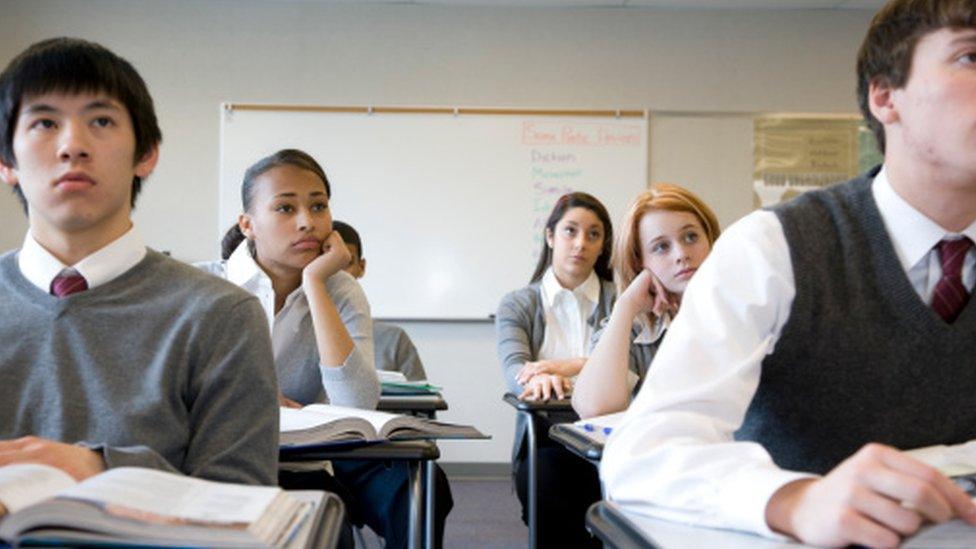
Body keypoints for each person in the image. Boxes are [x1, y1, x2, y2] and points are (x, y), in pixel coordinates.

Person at [602, 2, 976, 547]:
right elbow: (644, 451)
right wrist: (794, 499)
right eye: (969, 56)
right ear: (885, 96)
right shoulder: (772, 248)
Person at [0, 37, 279, 486]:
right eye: (45, 122)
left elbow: (241, 498)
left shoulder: (221, 316)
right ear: (5, 160)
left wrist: (102, 470)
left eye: (101, 120)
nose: (73, 145)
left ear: (145, 155)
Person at [201, 149, 451, 549]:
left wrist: (315, 283)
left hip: (321, 448)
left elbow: (357, 402)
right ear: (248, 224)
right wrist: (260, 401)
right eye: (285, 207)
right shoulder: (203, 287)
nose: (307, 222)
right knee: (317, 519)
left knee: (421, 486)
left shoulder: (340, 288)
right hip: (231, 453)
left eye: (318, 206)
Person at [496, 191, 614, 547]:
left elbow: (631, 369)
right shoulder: (518, 303)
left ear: (603, 244)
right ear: (550, 237)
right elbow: (516, 371)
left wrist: (558, 375)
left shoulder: (623, 298)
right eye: (570, 231)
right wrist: (540, 378)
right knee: (547, 482)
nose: (581, 243)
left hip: (615, 439)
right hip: (547, 441)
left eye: (593, 234)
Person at [572, 184, 720, 419]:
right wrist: (626, 306)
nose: (681, 254)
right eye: (661, 247)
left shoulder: (743, 309)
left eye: (691, 237)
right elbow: (595, 409)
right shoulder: (633, 327)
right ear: (639, 261)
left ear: (711, 241)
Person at [332, 220, 427, 381]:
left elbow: (423, 403)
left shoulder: (394, 339)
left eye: (346, 263)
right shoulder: (291, 336)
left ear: (361, 267)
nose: (337, 273)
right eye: (326, 262)